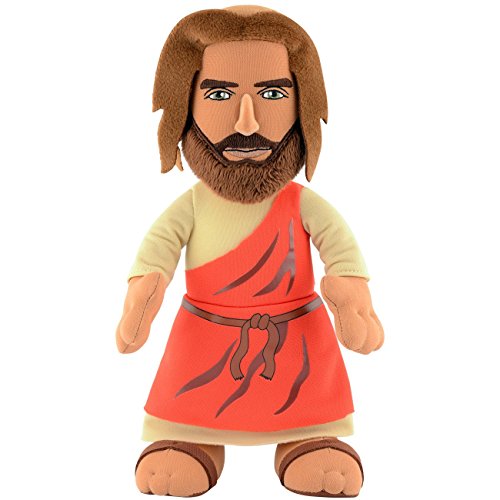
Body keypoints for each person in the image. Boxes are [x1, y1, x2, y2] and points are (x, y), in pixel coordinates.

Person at [116, 5, 384, 497]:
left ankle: (307, 440)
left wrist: (351, 296)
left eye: (273, 93)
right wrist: (143, 295)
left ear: (302, 102)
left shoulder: (302, 203)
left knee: (305, 403)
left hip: (294, 338)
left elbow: (340, 249)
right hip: (204, 338)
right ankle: (192, 442)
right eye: (219, 94)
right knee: (193, 405)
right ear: (185, 103)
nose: (246, 121)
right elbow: (158, 251)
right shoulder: (190, 206)